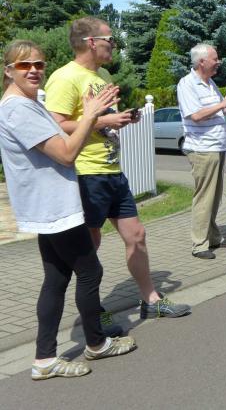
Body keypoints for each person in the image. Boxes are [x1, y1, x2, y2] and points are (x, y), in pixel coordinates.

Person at [0, 40, 136, 380]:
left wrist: (92, 117)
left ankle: (45, 359)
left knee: (56, 279)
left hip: (51, 204)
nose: (34, 70)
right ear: (8, 71)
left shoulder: (29, 103)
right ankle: (96, 343)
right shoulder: (17, 109)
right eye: (24, 65)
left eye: (39, 64)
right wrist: (91, 116)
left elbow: (64, 144)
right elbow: (65, 154)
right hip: (53, 206)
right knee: (90, 272)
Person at [45, 17, 191, 320]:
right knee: (90, 245)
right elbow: (56, 125)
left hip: (112, 171)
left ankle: (151, 300)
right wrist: (105, 120)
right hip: (86, 173)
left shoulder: (102, 75)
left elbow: (99, 123)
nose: (114, 44)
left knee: (137, 235)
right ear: (91, 42)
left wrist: (118, 119)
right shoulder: (65, 77)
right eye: (110, 39)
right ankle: (93, 312)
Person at [177, 44, 226, 259]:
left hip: (216, 146)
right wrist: (222, 105)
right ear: (201, 62)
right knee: (204, 197)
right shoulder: (187, 83)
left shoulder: (210, 83)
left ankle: (213, 236)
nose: (218, 62)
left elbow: (220, 109)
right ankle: (199, 244)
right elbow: (196, 115)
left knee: (214, 197)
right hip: (202, 148)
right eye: (215, 59)